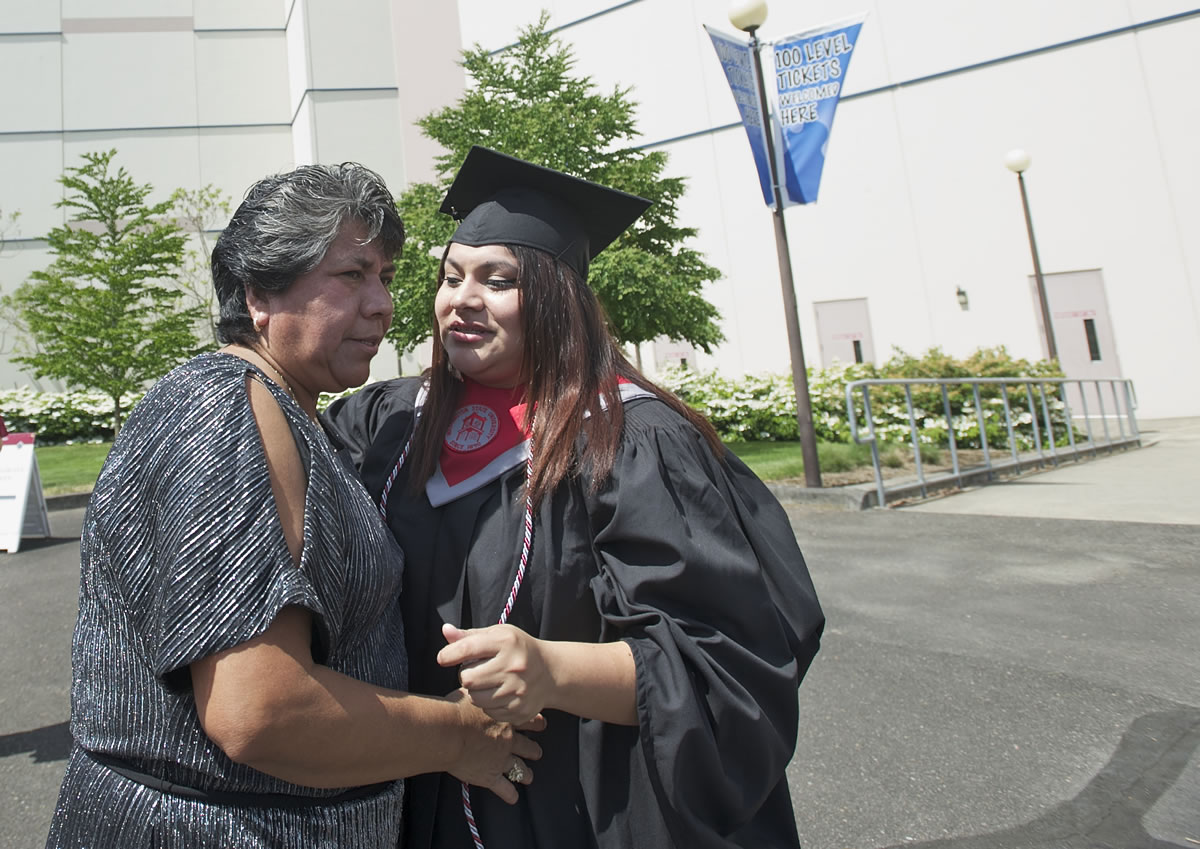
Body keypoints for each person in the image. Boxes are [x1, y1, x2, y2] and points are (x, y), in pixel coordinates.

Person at [326, 147, 824, 849]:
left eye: (498, 280)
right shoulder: (393, 423)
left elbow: (725, 664)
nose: (463, 298)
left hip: (582, 804)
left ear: (556, 297)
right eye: (451, 276)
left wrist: (553, 669)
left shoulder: (630, 440)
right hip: (423, 794)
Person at [46, 162, 542, 849]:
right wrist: (460, 737)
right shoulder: (225, 411)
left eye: (387, 278)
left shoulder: (289, 413)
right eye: (351, 275)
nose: (382, 304)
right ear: (259, 293)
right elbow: (260, 710)